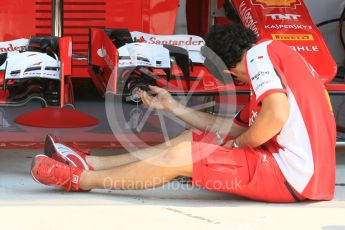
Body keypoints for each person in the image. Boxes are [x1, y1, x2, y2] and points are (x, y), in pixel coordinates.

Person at [31, 24, 336, 202]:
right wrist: (173, 106)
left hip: (293, 176)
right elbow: (228, 127)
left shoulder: (259, 55)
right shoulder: (276, 59)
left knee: (183, 157)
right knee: (193, 139)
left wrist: (237, 147)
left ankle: (79, 179)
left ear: (228, 64)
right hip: (303, 173)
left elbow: (275, 117)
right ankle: (91, 162)